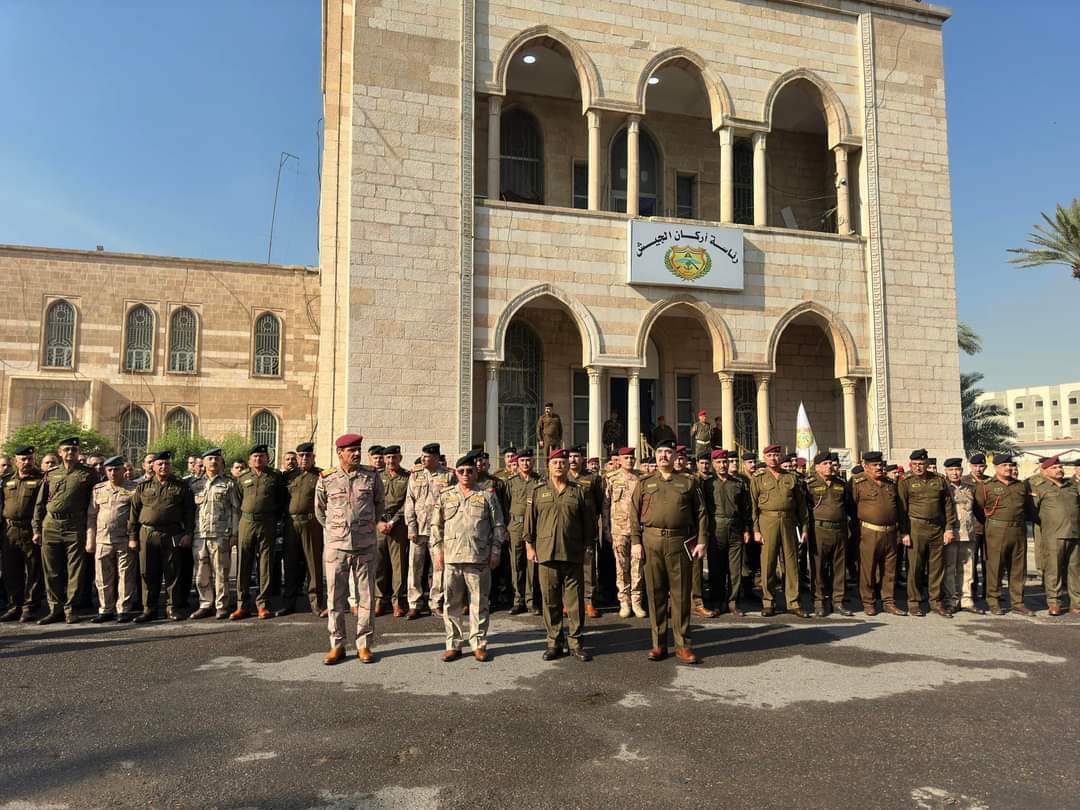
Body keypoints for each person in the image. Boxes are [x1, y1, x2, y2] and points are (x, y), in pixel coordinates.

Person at [630, 439, 707, 664]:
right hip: (651, 541)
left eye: (668, 452)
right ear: (655, 456)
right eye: (660, 452)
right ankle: (658, 644)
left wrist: (702, 541)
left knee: (681, 595)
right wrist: (635, 541)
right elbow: (634, 513)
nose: (663, 456)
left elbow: (701, 513)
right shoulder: (644, 482)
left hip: (679, 542)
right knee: (655, 595)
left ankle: (683, 645)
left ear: (675, 456)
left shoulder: (689, 482)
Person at [316, 433, 385, 664]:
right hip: (337, 546)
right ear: (340, 453)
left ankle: (364, 644)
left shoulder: (371, 476)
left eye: (358, 450)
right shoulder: (327, 478)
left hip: (365, 544)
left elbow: (379, 504)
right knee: (335, 597)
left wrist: (365, 527)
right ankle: (337, 644)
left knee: (366, 596)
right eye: (351, 450)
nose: (356, 453)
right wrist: (336, 531)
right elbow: (320, 510)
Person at [430, 452, 504, 662]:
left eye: (469, 471)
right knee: (451, 604)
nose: (465, 474)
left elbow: (498, 525)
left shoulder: (487, 496)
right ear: (456, 473)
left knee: (479, 603)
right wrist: (437, 552)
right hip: (452, 558)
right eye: (461, 471)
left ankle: (478, 644)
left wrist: (495, 551)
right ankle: (453, 644)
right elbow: (436, 526)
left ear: (475, 473)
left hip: (478, 558)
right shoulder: (446, 495)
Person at [525, 449, 594, 661]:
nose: (559, 466)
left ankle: (576, 643)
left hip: (573, 553)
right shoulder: (538, 491)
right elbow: (530, 523)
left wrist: (588, 548)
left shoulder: (578, 491)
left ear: (567, 466)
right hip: (546, 554)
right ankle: (554, 642)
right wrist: (530, 547)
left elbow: (588, 523)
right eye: (555, 462)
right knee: (550, 601)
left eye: (563, 462)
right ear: (549, 465)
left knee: (574, 603)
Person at [32, 437, 98, 624]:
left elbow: (94, 502)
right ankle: (55, 609)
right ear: (60, 452)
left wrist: (91, 530)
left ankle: (71, 609)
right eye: (67, 449)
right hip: (51, 525)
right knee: (51, 570)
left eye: (74, 450)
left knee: (75, 570)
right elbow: (40, 504)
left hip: (75, 525)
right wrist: (36, 528)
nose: (70, 453)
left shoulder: (88, 474)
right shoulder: (51, 473)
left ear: (78, 452)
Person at [128, 451, 196, 622]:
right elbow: (134, 513)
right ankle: (149, 609)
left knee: (172, 573)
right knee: (147, 573)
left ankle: (172, 608)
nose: (163, 467)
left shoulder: (181, 486)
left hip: (172, 533)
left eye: (166, 464)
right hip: (147, 533)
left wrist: (188, 533)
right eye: (160, 464)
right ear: (153, 466)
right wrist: (132, 537)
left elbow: (189, 512)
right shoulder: (143, 486)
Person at [750, 444, 808, 617]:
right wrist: (756, 530)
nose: (773, 458)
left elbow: (801, 506)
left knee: (791, 563)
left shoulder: (791, 477)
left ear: (780, 457)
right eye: (769, 456)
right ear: (764, 458)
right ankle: (768, 602)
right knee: (768, 563)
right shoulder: (758, 478)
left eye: (776, 455)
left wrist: (804, 528)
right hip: (767, 521)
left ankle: (793, 602)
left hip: (789, 521)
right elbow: (753, 507)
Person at [898, 449, 956, 618]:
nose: (918, 467)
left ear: (927, 464)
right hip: (915, 527)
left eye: (921, 464)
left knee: (936, 567)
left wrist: (949, 528)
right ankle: (914, 602)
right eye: (915, 464)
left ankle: (936, 602)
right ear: (911, 464)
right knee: (915, 567)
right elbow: (902, 509)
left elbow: (948, 505)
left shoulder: (939, 480)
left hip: (936, 528)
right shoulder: (905, 481)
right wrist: (904, 532)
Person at [973, 454, 1034, 616]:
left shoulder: (1021, 486)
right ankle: (993, 601)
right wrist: (992, 524)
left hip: (1018, 531)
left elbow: (1028, 508)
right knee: (995, 567)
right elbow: (979, 509)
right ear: (996, 467)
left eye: (1010, 465)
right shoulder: (986, 486)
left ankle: (1018, 603)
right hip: (996, 531)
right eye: (1004, 465)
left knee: (1018, 568)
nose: (1008, 468)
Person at [231, 445, 287, 620]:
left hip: (267, 522)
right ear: (249, 460)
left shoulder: (275, 477)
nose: (258, 459)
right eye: (255, 456)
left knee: (265, 564)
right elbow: (238, 499)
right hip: (247, 522)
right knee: (243, 564)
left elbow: (281, 500)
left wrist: (274, 519)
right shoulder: (242, 477)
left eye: (261, 456)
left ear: (267, 459)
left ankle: (263, 604)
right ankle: (242, 605)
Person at [850, 451, 906, 616]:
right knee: (868, 569)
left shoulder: (890, 483)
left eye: (880, 464)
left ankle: (888, 602)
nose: (879, 468)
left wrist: (902, 531)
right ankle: (868, 602)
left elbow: (900, 508)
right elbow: (850, 506)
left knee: (889, 570)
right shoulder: (857, 483)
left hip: (891, 532)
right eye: (874, 465)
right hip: (869, 532)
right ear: (866, 467)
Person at [189, 448, 241, 620]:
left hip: (220, 534)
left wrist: (234, 534)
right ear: (203, 462)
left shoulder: (228, 484)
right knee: (201, 573)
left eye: (216, 459)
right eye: (210, 458)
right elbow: (189, 512)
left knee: (221, 572)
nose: (213, 462)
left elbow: (235, 510)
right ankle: (205, 604)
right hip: (199, 535)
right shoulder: (195, 484)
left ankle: (221, 605)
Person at [404, 443, 454, 618]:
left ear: (436, 458)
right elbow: (409, 502)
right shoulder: (415, 475)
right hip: (418, 529)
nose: (423, 459)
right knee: (414, 568)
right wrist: (411, 527)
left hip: (439, 529)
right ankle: (414, 604)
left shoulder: (448, 475)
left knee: (439, 567)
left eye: (427, 457)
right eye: (423, 456)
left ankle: (436, 602)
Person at [85, 456, 138, 622]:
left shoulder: (134, 488)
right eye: (110, 470)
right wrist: (90, 539)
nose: (113, 473)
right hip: (103, 539)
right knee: (102, 577)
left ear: (123, 470)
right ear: (105, 471)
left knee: (126, 576)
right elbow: (91, 516)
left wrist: (133, 537)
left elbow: (137, 515)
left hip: (124, 539)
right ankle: (105, 609)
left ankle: (123, 609)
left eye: (116, 469)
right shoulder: (98, 489)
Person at [1028, 455, 1079, 616]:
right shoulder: (1040, 487)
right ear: (1045, 471)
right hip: (1053, 535)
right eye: (1054, 468)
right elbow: (1032, 511)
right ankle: (1054, 603)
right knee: (1053, 571)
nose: (1059, 470)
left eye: (1060, 467)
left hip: (1074, 534)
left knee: (1075, 570)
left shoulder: (1071, 486)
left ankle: (1076, 603)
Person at [702, 449, 751, 616]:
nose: (722, 465)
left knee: (735, 569)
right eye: (719, 462)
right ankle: (717, 602)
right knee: (716, 568)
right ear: (713, 464)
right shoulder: (708, 484)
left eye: (725, 462)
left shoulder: (738, 483)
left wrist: (746, 529)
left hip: (735, 529)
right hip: (716, 529)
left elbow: (745, 508)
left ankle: (733, 603)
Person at [1, 445, 44, 622]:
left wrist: (38, 530)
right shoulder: (6, 481)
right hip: (9, 530)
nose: (27, 462)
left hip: (30, 530)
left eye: (30, 459)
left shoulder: (41, 480)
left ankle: (30, 607)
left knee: (33, 569)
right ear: (16, 461)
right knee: (11, 569)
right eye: (23, 459)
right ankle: (14, 606)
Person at [807, 450, 853, 617]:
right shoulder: (810, 484)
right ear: (817, 467)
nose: (829, 467)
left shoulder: (841, 483)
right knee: (818, 567)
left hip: (839, 530)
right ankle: (819, 602)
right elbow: (805, 509)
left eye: (830, 464)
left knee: (839, 568)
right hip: (819, 530)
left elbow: (848, 506)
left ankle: (838, 602)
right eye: (825, 464)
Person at [604, 447, 645, 618]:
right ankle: (624, 601)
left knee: (637, 567)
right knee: (621, 567)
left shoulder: (641, 478)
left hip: (638, 530)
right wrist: (606, 528)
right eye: (626, 458)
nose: (629, 461)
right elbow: (606, 505)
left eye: (631, 458)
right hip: (619, 530)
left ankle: (636, 601)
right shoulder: (611, 478)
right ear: (619, 460)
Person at [567, 446, 602, 618]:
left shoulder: (592, 478)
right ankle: (567, 601)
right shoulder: (562, 476)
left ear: (582, 459)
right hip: (568, 527)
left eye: (576, 456)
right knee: (567, 565)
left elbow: (599, 502)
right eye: (570, 457)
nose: (573, 460)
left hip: (587, 528)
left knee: (588, 567)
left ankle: (589, 601)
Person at [942, 458, 981, 614]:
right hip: (951, 533)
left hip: (968, 533)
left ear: (962, 471)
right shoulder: (943, 488)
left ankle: (966, 599)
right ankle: (951, 599)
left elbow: (977, 510)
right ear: (946, 471)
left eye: (957, 470)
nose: (955, 473)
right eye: (951, 470)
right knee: (950, 568)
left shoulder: (970, 488)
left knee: (967, 568)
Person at [505, 448, 541, 615]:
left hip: (534, 527)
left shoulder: (540, 481)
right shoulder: (511, 482)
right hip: (516, 527)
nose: (526, 463)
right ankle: (518, 600)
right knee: (516, 564)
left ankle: (531, 600)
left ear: (533, 461)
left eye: (528, 460)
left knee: (532, 564)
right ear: (517, 463)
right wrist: (505, 527)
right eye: (522, 461)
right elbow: (505, 505)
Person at [375, 444, 410, 617]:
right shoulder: (377, 476)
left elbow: (408, 502)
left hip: (398, 526)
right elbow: (371, 500)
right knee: (378, 564)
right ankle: (379, 600)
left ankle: (398, 602)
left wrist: (393, 522)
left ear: (400, 458)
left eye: (394, 457)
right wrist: (379, 522)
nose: (391, 461)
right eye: (388, 458)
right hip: (379, 525)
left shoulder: (408, 477)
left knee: (399, 566)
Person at [963, 453, 990, 601]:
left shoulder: (990, 481)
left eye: (981, 466)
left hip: (989, 528)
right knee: (971, 561)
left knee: (989, 560)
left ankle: (988, 591)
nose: (978, 469)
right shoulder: (964, 481)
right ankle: (971, 591)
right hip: (972, 527)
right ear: (970, 466)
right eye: (975, 466)